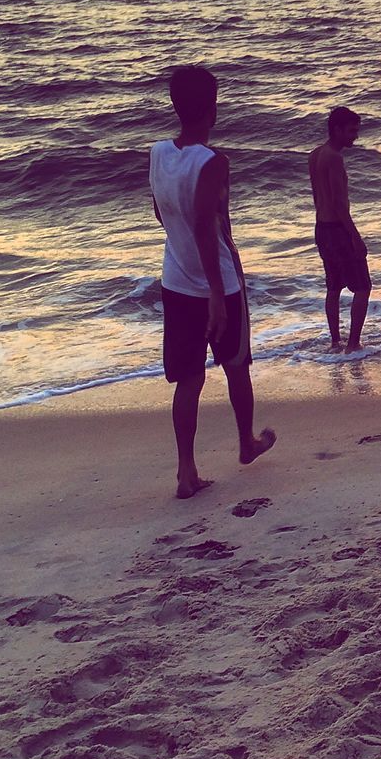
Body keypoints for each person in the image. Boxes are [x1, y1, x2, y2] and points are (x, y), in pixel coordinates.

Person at [149, 65, 275, 499]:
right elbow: (207, 226)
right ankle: (246, 444)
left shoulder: (159, 153)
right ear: (212, 108)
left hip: (174, 280)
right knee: (237, 366)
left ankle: (186, 470)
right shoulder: (214, 161)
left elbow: (161, 212)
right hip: (218, 283)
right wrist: (219, 296)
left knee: (189, 379)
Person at [309, 106, 371, 354]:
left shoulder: (315, 154)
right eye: (351, 131)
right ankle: (353, 344)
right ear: (336, 130)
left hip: (322, 228)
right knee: (363, 287)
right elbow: (337, 203)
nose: (355, 136)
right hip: (337, 229)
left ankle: (335, 342)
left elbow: (320, 198)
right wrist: (355, 237)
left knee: (334, 287)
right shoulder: (333, 157)